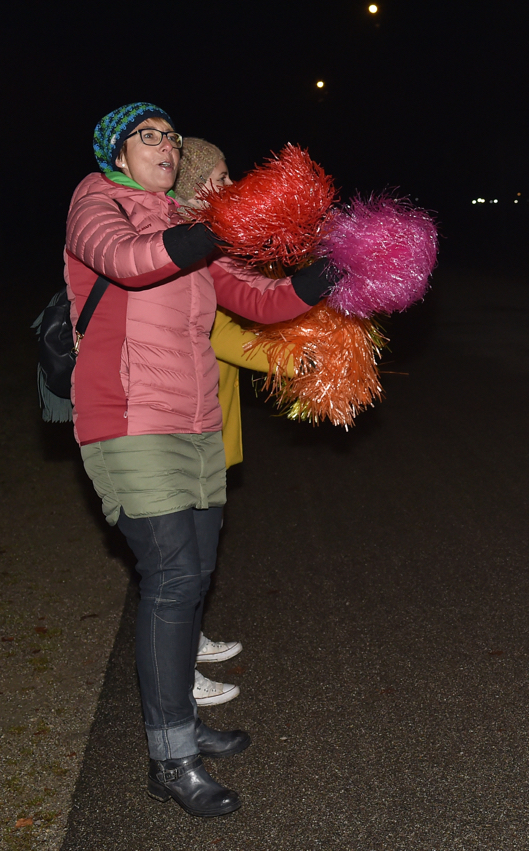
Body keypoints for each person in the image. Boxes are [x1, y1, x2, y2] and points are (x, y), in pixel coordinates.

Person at [67, 103, 331, 815]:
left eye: (172, 137)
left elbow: (251, 299)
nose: (167, 146)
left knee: (197, 574)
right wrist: (218, 225)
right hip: (127, 422)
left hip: (197, 427)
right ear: (116, 150)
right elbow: (129, 262)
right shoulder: (97, 202)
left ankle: (181, 720)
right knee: (173, 575)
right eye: (150, 136)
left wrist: (323, 280)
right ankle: (169, 756)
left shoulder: (186, 231)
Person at [173, 138, 249, 707]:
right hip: (181, 421)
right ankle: (177, 673)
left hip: (211, 413)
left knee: (203, 545)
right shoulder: (179, 243)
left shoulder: (209, 240)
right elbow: (216, 329)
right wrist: (293, 357)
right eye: (219, 178)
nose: (229, 189)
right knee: (184, 560)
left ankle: (189, 640)